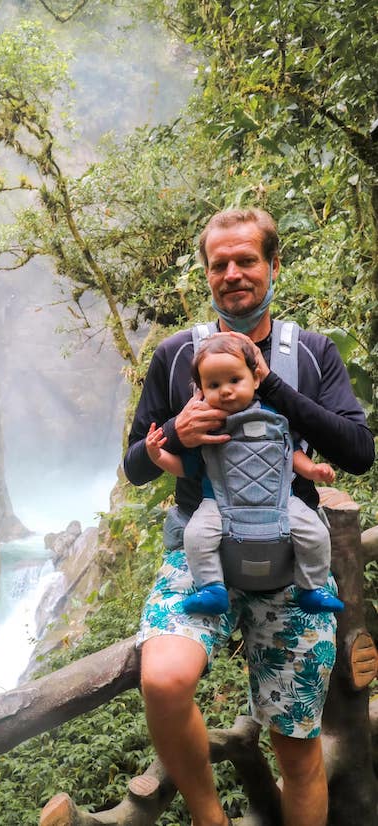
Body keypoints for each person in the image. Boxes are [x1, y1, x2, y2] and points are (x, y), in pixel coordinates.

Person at [123, 207, 375, 826]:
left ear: (272, 265)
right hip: (199, 546)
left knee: (297, 748)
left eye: (246, 260)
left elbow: (358, 452)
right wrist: (178, 432)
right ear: (207, 274)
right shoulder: (177, 355)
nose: (233, 273)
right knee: (163, 681)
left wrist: (273, 391)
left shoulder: (311, 353)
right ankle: (211, 818)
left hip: (291, 557)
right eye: (219, 264)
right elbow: (134, 466)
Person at [145, 332, 345, 615]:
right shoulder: (206, 425)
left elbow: (289, 453)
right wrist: (158, 455)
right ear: (200, 389)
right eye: (214, 384)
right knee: (196, 534)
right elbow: (186, 468)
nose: (225, 390)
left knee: (315, 532)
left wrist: (313, 470)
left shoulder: (275, 416)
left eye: (234, 380)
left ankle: (311, 587)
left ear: (255, 378)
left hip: (281, 501)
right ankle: (211, 587)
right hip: (218, 503)